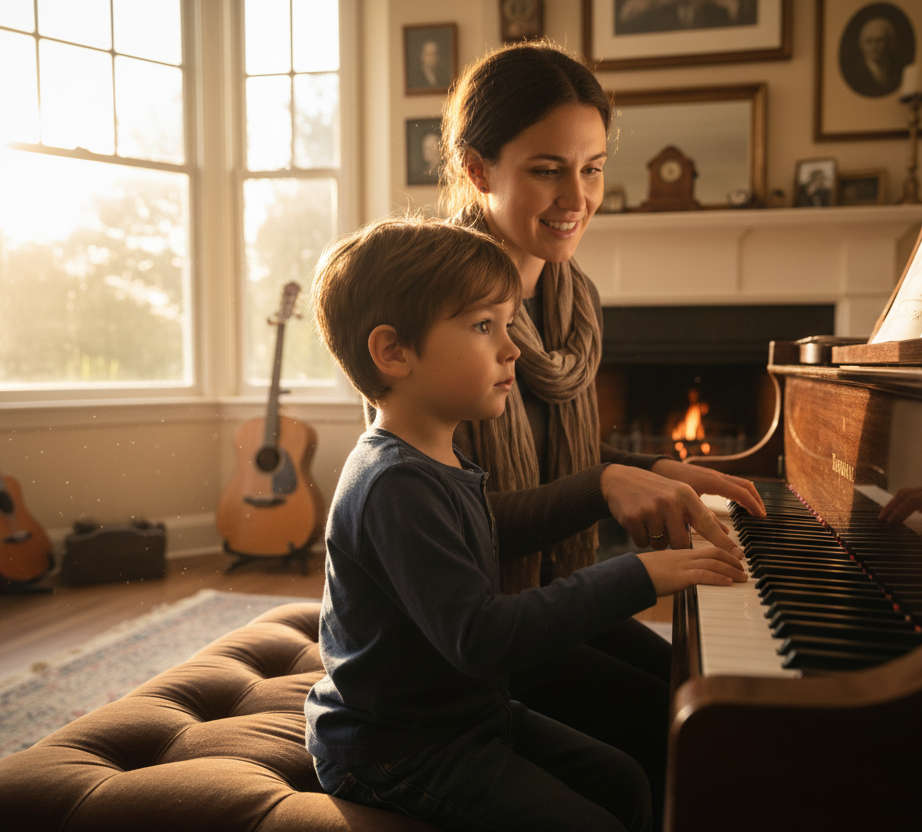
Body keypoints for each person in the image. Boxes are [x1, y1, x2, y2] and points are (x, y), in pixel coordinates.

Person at [305, 217, 748, 831]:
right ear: (393, 352)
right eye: (484, 326)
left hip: (463, 716)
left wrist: (621, 485)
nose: (512, 348)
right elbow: (480, 639)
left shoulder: (438, 457)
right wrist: (639, 574)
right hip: (397, 747)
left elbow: (484, 537)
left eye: (507, 324)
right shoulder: (393, 484)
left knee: (624, 779)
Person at [435, 40, 768, 829]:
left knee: (699, 688)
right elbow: (452, 522)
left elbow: (571, 461)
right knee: (681, 727)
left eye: (590, 168)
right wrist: (602, 487)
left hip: (547, 596)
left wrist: (659, 466)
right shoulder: (442, 306)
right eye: (547, 168)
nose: (576, 196)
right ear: (480, 170)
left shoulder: (569, 293)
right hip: (475, 634)